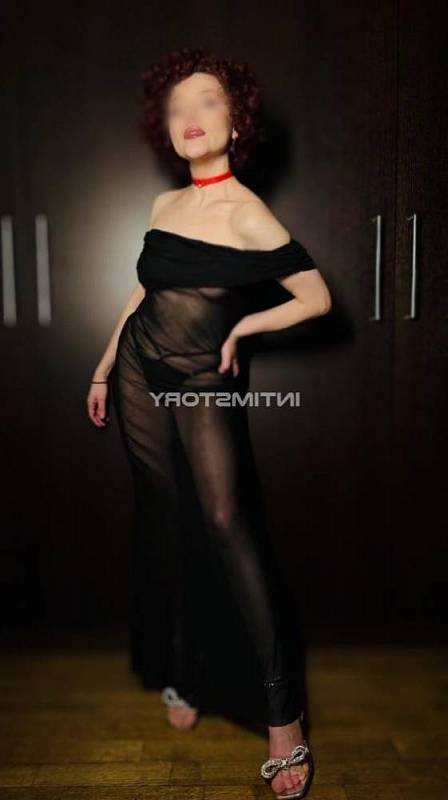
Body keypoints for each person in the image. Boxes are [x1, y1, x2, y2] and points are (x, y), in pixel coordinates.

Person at [87, 48, 331, 800]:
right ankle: (186, 671)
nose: (189, 116)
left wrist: (244, 328)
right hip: (138, 372)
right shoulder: (163, 206)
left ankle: (283, 715)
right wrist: (104, 365)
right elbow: (142, 295)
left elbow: (317, 297)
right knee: (167, 521)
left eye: (207, 101)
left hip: (199, 383)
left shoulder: (246, 211)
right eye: (176, 107)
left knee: (225, 520)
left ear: (236, 119)